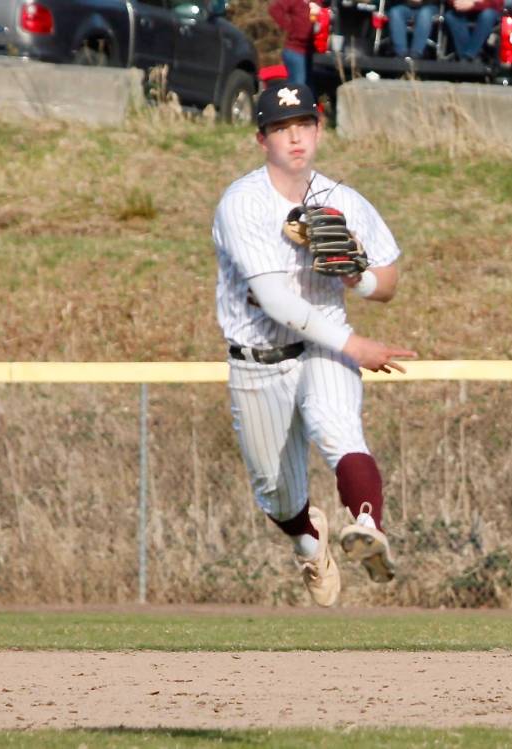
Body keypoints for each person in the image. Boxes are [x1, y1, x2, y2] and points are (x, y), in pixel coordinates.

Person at [212, 82, 417, 607]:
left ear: (320, 130)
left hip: (323, 348)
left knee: (338, 428)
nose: (295, 137)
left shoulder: (343, 200)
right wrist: (357, 345)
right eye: (281, 129)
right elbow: (277, 302)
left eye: (304, 125)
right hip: (259, 359)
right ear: (262, 139)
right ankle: (310, 543)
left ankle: (367, 525)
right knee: (277, 495)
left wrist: (358, 279)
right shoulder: (243, 203)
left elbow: (389, 280)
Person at [269, 0, 321, 86]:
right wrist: (290, 28)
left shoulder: (317, 2)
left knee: (309, 87)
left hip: (310, 51)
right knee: (298, 86)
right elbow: (275, 9)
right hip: (294, 50)